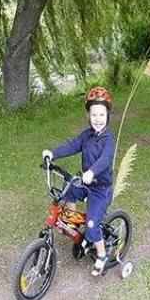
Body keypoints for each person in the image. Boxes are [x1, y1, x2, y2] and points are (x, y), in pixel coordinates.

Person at [42, 87, 115, 277]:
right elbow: (72, 145)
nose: (98, 119)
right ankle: (72, 223)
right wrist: (53, 153)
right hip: (86, 183)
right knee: (68, 192)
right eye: (94, 115)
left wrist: (92, 172)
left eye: (101, 114)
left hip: (100, 189)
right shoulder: (86, 135)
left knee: (92, 226)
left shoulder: (109, 139)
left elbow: (105, 159)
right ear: (88, 116)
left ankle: (101, 254)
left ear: (108, 115)